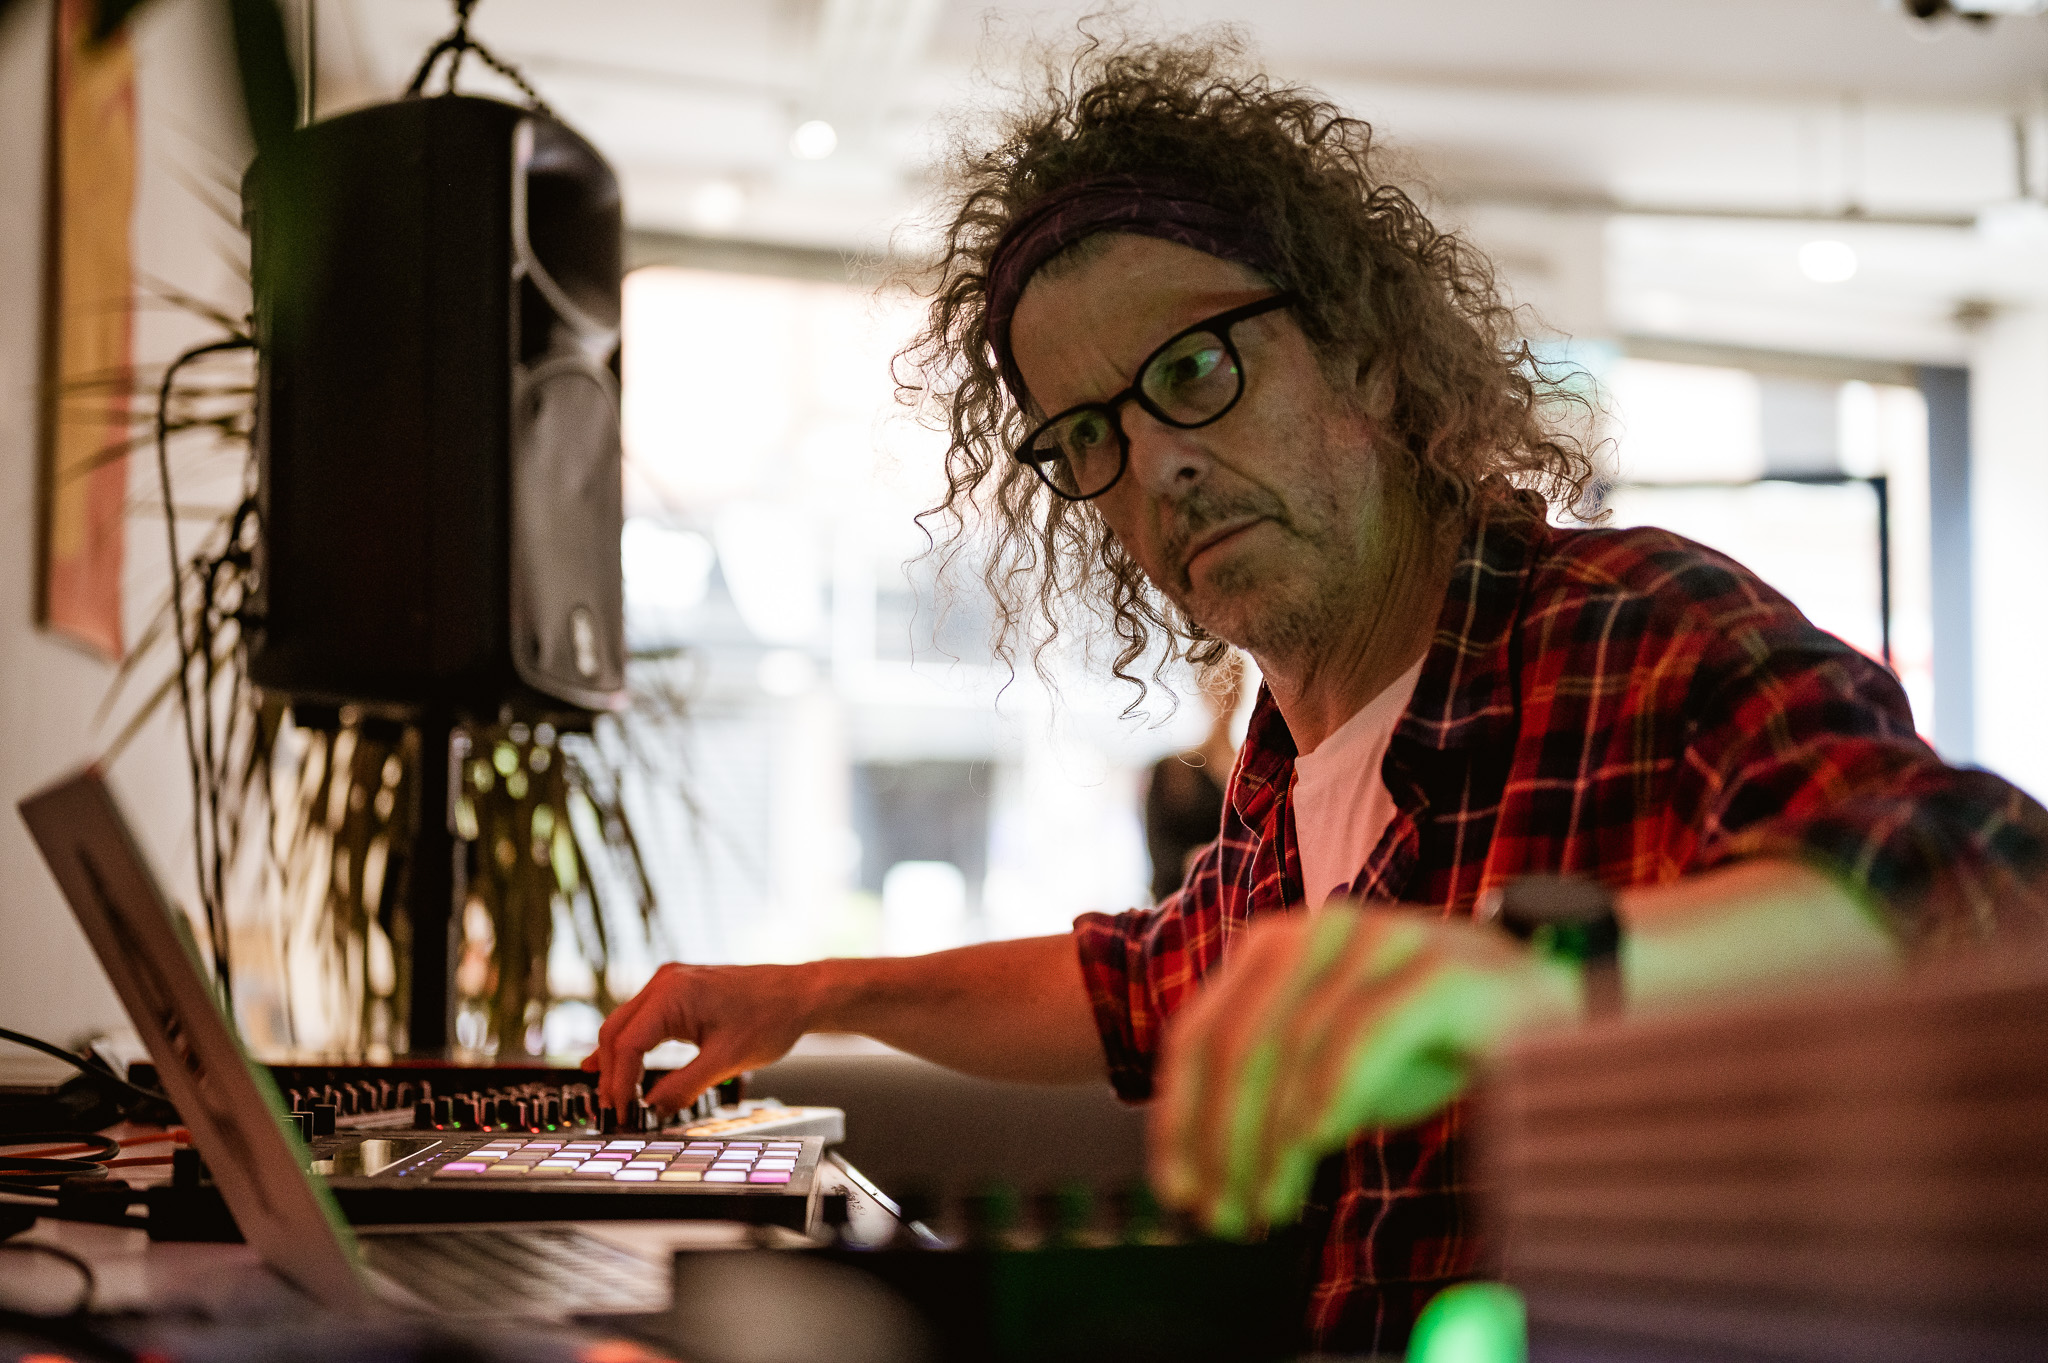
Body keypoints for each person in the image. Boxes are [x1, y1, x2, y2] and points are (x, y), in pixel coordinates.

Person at [587, 36, 2048, 1353]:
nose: (1156, 465)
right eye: (1088, 431)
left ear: (1364, 347)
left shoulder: (1637, 626)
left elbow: (1987, 883)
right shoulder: (1285, 768)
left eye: (1199, 368)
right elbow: (1143, 983)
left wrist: (1534, 977)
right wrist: (815, 992)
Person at [1143, 651, 1245, 903]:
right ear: (1202, 690)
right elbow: (1162, 858)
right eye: (1218, 683)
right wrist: (1211, 860)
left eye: (1234, 684)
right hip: (1183, 908)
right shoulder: (1171, 770)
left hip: (1238, 906)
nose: (1225, 693)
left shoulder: (1251, 770)